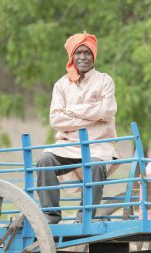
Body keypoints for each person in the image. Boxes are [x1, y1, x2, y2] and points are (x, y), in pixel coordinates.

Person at [37, 31, 118, 224]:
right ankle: (51, 215)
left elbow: (107, 111)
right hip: (68, 144)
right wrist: (92, 114)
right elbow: (56, 119)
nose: (82, 57)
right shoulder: (61, 85)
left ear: (93, 56)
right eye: (78, 53)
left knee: (97, 164)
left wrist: (71, 111)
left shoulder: (105, 80)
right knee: (45, 160)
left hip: (98, 144)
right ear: (72, 56)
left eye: (87, 52)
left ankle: (85, 217)